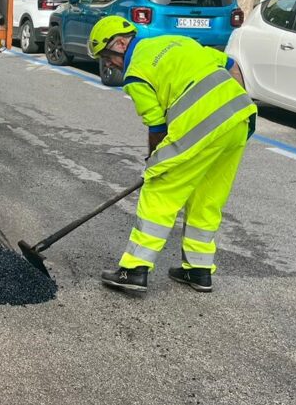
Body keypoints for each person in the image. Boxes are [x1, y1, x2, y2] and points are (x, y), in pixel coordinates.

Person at [88, 16, 256, 293]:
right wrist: (234, 103)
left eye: (107, 56)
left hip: (200, 126)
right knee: (207, 196)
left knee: (159, 190)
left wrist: (155, 163)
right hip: (239, 118)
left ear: (120, 43)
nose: (107, 64)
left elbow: (157, 127)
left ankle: (134, 270)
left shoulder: (136, 74)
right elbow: (230, 64)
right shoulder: (173, 40)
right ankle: (199, 271)